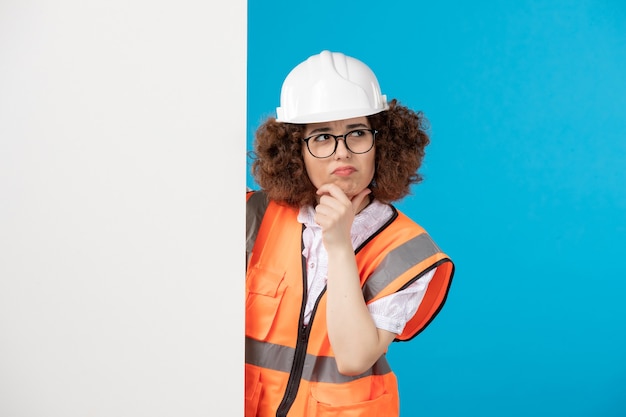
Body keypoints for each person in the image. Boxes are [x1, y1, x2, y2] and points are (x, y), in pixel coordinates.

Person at [246, 50, 454, 417]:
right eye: (322, 137)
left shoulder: (407, 250)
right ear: (297, 151)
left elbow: (354, 357)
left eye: (357, 133)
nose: (342, 153)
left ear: (382, 143)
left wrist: (340, 245)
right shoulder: (253, 216)